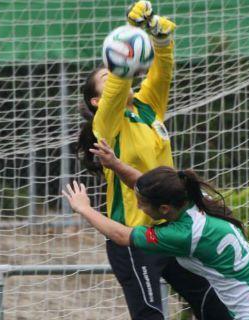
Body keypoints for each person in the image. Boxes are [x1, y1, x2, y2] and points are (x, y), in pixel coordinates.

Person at [76, 2, 230, 319]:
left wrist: (159, 39)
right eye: (106, 75)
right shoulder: (105, 123)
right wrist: (130, 36)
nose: (115, 76)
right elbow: (119, 85)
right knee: (150, 314)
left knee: (215, 307)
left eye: (113, 70)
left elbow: (162, 72)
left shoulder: (147, 109)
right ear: (96, 100)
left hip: (170, 228)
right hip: (133, 237)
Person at [63, 140, 249, 320]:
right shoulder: (194, 198)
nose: (137, 206)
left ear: (163, 208)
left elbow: (122, 236)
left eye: (141, 203)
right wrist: (116, 164)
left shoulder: (182, 234)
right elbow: (145, 184)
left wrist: (85, 209)